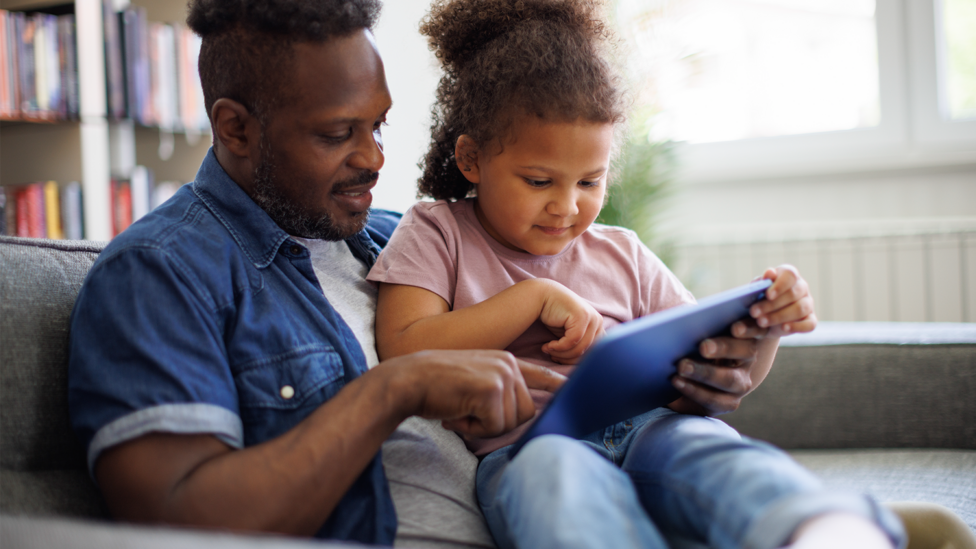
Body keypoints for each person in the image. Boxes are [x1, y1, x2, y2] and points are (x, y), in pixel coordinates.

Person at [64, 0, 861, 547]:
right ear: (235, 128)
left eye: (377, 126)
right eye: (339, 133)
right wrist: (395, 388)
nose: (376, 159)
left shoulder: (389, 233)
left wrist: (714, 368)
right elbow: (173, 517)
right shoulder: (162, 275)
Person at [366, 1, 907, 549]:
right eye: (538, 181)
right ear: (471, 160)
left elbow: (715, 382)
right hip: (533, 445)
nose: (566, 207)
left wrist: (763, 329)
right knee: (555, 478)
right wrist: (532, 298)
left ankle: (824, 530)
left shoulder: (623, 252)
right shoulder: (437, 231)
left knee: (706, 446)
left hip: (653, 427)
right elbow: (404, 349)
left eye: (589, 182)